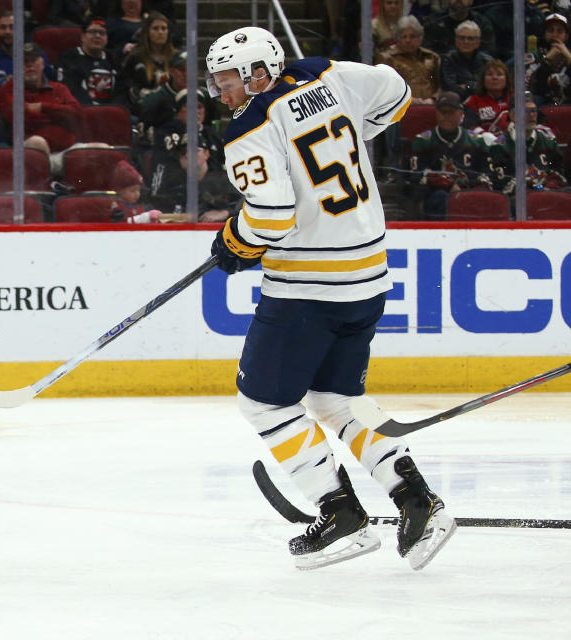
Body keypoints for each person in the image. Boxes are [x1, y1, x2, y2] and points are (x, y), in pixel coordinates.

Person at [205, 26, 455, 570]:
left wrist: (232, 242)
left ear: (258, 74)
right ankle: (417, 502)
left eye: (228, 80)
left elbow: (271, 216)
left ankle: (340, 514)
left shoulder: (249, 128)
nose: (221, 92)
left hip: (308, 286)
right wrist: (354, 126)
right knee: (333, 400)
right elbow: (396, 90)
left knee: (264, 402)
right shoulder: (325, 73)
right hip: (367, 274)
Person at [406, 92, 494, 220]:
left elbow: (487, 174)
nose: (446, 116)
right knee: (440, 197)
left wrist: (468, 188)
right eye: (442, 112)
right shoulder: (423, 141)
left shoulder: (476, 141)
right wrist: (445, 184)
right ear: (436, 113)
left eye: (451, 112)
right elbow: (416, 176)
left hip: (469, 193)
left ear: (460, 114)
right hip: (436, 197)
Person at [0, 43, 83, 155]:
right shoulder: (8, 90)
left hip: (66, 151)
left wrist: (43, 107)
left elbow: (78, 115)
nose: (29, 65)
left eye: (33, 60)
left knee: (100, 147)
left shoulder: (59, 88)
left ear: (42, 64)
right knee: (37, 142)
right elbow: (22, 119)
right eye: (24, 61)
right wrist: (60, 116)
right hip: (29, 152)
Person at [489, 94, 566, 197]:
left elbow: (559, 173)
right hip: (515, 201)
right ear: (512, 116)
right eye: (525, 111)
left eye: (534, 110)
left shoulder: (548, 142)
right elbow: (499, 183)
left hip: (547, 197)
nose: (531, 115)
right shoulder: (499, 146)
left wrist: (548, 188)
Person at [0, 11, 53, 99]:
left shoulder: (37, 56)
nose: (8, 31)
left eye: (12, 27)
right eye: (3, 27)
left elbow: (50, 85)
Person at [56, 16, 126, 107]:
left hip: (111, 112)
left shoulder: (113, 59)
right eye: (93, 32)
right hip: (81, 111)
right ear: (83, 36)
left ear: (107, 38)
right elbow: (70, 91)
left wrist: (114, 109)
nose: (97, 36)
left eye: (102, 33)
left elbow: (121, 91)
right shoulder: (68, 58)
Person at [377, 15, 441, 105]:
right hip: (400, 108)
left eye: (412, 36)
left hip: (430, 106)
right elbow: (384, 89)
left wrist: (434, 99)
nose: (408, 40)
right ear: (397, 39)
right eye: (404, 37)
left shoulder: (432, 57)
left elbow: (441, 85)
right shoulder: (387, 58)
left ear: (420, 38)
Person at [122, 12, 176, 106]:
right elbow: (126, 83)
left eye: (164, 28)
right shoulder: (135, 56)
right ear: (147, 32)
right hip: (141, 105)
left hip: (172, 105)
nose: (160, 32)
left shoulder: (175, 57)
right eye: (155, 28)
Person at [440, 20, 494, 99]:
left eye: (470, 38)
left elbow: (491, 86)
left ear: (478, 42)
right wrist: (476, 86)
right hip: (459, 102)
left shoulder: (487, 61)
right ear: (456, 41)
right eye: (462, 38)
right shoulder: (448, 59)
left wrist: (467, 86)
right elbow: (451, 87)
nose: (465, 42)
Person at [423, 0, 495, 58]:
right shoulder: (433, 22)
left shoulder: (482, 23)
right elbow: (427, 54)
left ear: (471, 1)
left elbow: (488, 53)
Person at [527, 13, 571, 107]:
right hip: (543, 102)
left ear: (566, 36)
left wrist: (568, 56)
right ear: (545, 33)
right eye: (550, 31)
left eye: (560, 31)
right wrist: (547, 59)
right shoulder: (535, 55)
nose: (555, 35)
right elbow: (531, 85)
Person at [462, 59, 512, 138]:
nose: (494, 77)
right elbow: (468, 127)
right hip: (484, 145)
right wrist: (486, 136)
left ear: (506, 79)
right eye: (490, 74)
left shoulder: (516, 98)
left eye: (499, 74)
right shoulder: (473, 101)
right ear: (483, 80)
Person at [109, 159, 161, 223]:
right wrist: (144, 218)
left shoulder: (142, 206)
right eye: (132, 191)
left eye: (138, 190)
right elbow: (121, 223)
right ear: (120, 191)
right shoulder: (116, 208)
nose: (137, 194)